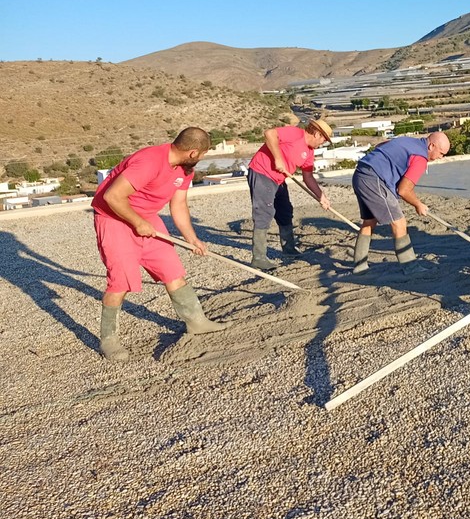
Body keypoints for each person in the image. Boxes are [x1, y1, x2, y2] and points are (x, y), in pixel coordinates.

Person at [91, 127, 224, 361]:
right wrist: (137, 222)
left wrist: (192, 239)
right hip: (114, 218)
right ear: (193, 152)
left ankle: (197, 322)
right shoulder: (149, 161)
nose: (202, 158)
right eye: (203, 154)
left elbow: (179, 205)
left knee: (172, 270)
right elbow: (113, 197)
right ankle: (108, 340)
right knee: (121, 281)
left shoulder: (185, 169)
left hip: (147, 217)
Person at [350, 131, 451, 274]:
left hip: (360, 174)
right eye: (441, 153)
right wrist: (418, 204)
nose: (441, 157)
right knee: (399, 222)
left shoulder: (408, 141)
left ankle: (359, 266)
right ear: (431, 146)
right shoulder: (420, 158)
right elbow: (403, 190)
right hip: (374, 180)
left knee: (369, 221)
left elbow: (381, 146)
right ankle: (410, 267)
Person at [246, 118, 333, 271]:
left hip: (279, 179)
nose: (322, 143)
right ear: (317, 134)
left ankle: (289, 248)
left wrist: (321, 196)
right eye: (323, 140)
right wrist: (278, 158)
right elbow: (269, 134)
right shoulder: (295, 133)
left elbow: (308, 177)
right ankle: (258, 257)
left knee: (285, 211)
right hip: (262, 172)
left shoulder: (310, 152)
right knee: (264, 212)